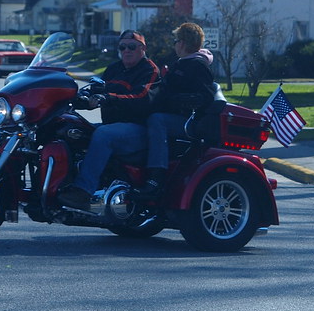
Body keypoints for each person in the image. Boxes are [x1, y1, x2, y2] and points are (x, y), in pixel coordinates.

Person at [57, 30, 160, 209]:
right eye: (122, 47)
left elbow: (142, 97)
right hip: (114, 126)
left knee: (103, 134)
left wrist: (109, 98)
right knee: (68, 127)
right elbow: (95, 89)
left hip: (138, 130)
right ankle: (60, 184)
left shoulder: (149, 70)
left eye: (132, 46)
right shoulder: (114, 69)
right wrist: (75, 97)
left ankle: (83, 191)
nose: (126, 50)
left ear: (142, 48)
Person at [140, 22, 217, 196]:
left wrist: (175, 100)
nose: (174, 44)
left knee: (156, 120)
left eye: (176, 40)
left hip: (189, 121)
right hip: (178, 117)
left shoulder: (198, 65)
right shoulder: (182, 63)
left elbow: (205, 97)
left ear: (182, 43)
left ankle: (156, 174)